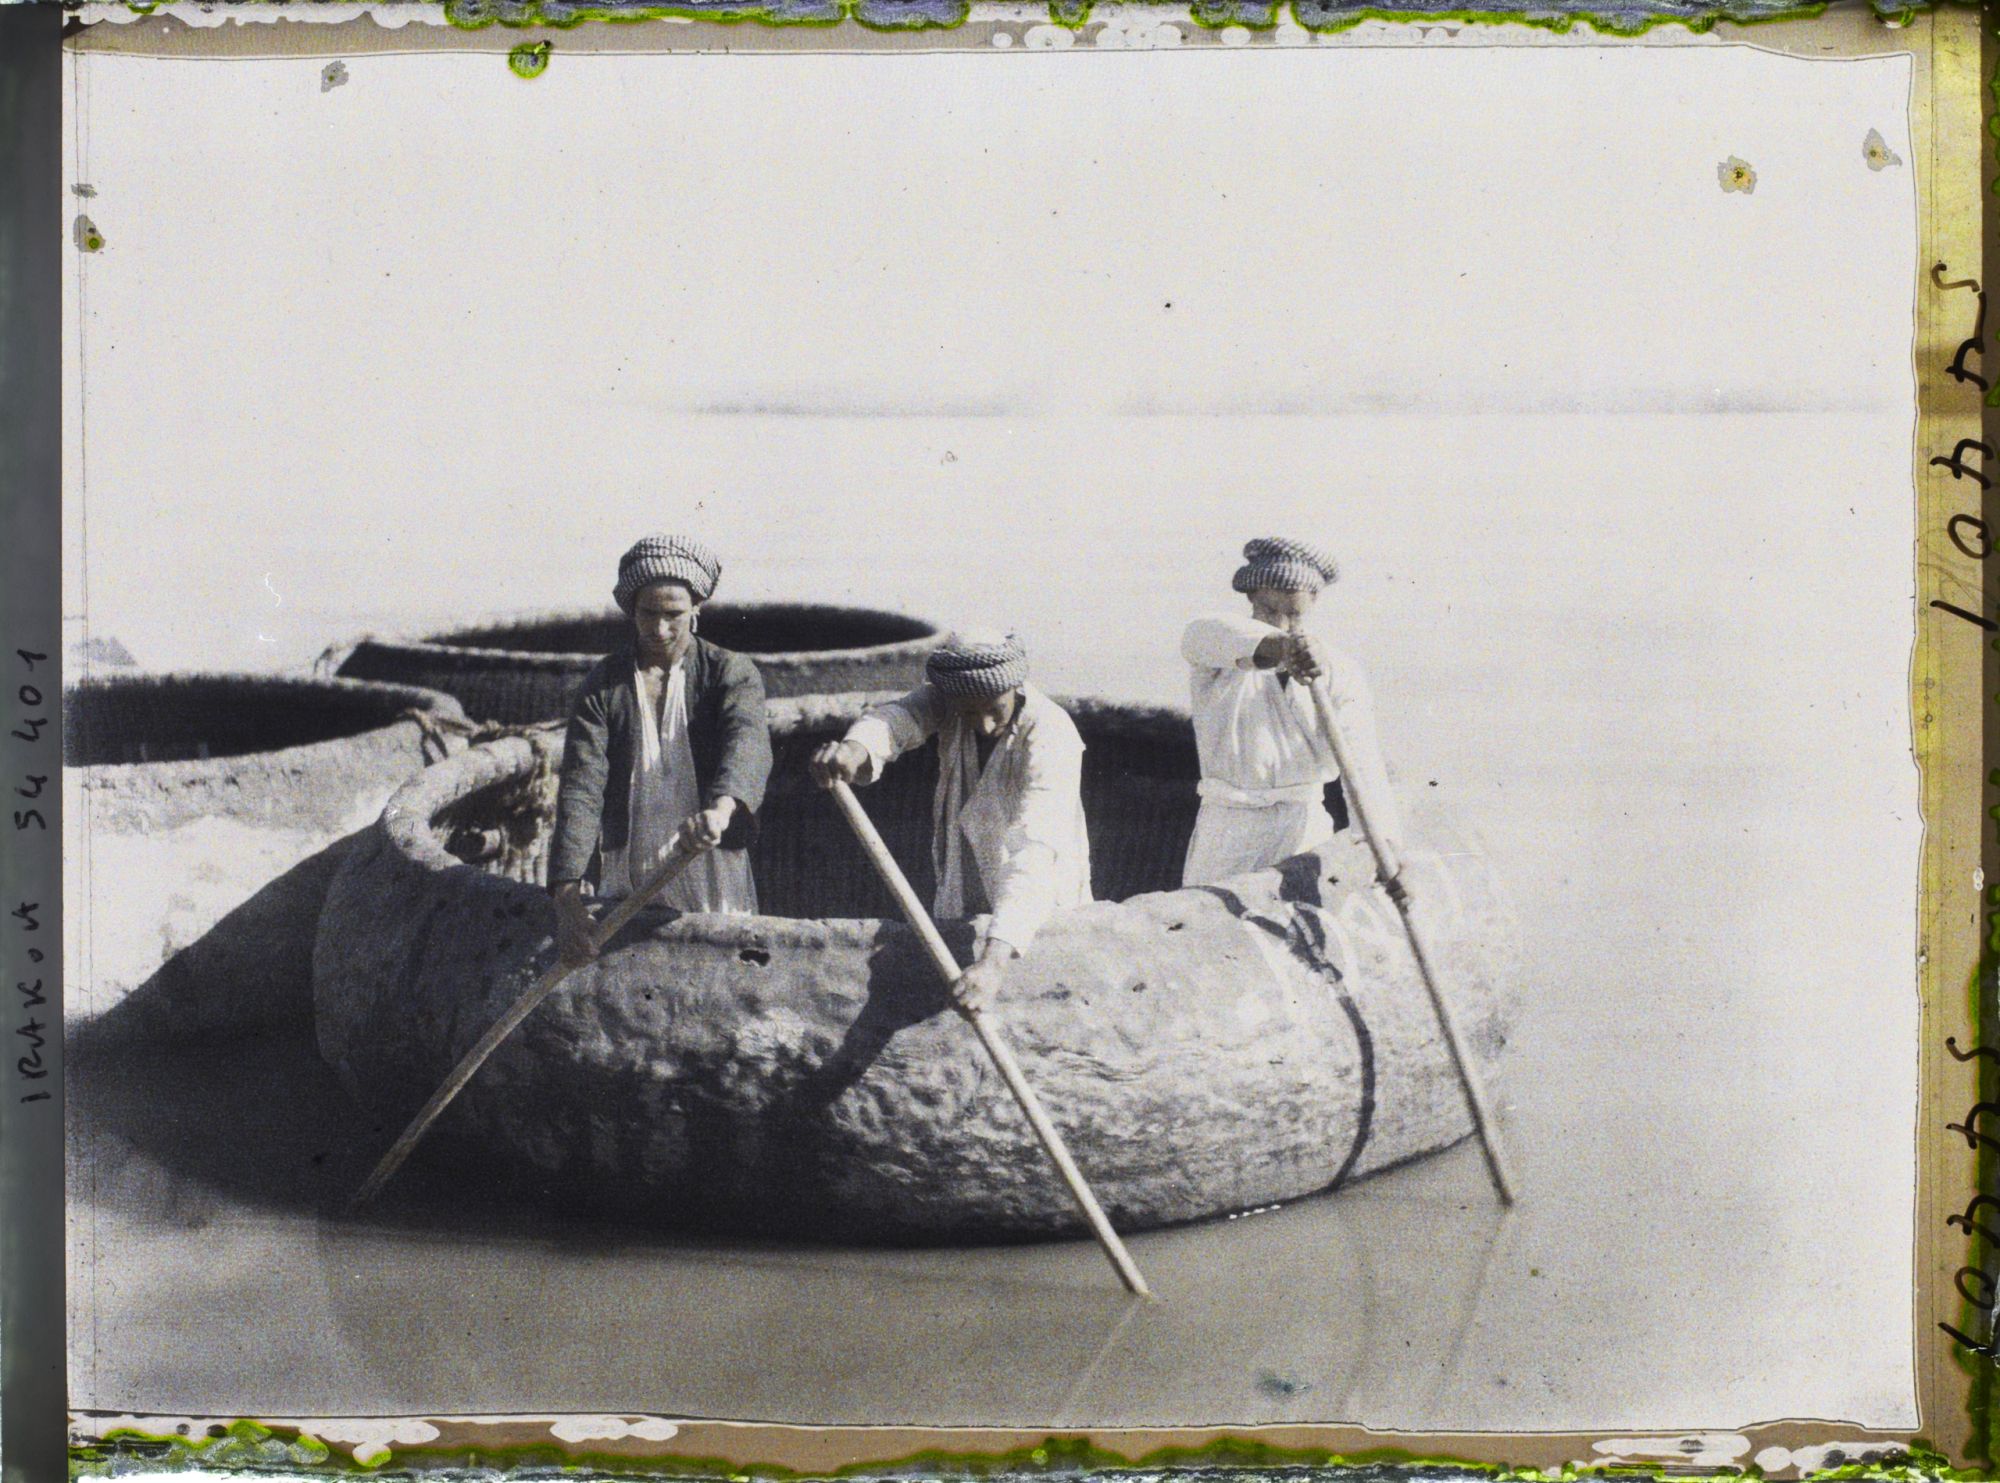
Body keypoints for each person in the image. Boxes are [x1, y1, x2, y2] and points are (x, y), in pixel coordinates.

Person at [809, 631, 1091, 1012]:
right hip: (971, 883)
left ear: (1015, 688)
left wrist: (993, 963)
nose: (985, 725)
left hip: (1037, 902)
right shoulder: (949, 701)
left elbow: (1034, 853)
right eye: (970, 712)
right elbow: (898, 718)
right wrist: (855, 750)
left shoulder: (1051, 734)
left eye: (996, 708)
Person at [548, 534, 773, 966]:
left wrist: (721, 811)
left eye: (675, 615)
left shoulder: (730, 673)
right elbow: (582, 785)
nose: (660, 629)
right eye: (648, 614)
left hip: (709, 854)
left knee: (716, 965)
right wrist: (566, 894)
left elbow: (746, 744)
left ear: (697, 610)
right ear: (631, 610)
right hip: (630, 858)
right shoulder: (604, 684)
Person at [1180, 536, 1407, 889]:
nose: (1282, 624)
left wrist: (1383, 846)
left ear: (1314, 602)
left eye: (1294, 614)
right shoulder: (1215, 645)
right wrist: (1284, 650)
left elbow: (1362, 765)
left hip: (1304, 827)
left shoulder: (1341, 671)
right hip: (1228, 828)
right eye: (1270, 611)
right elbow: (1205, 635)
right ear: (1251, 596)